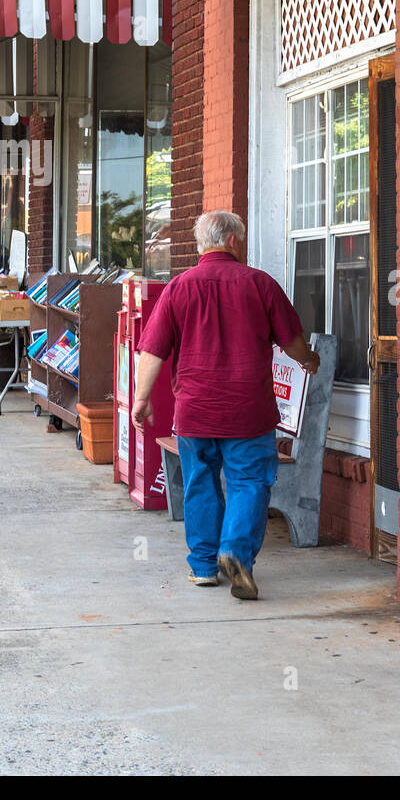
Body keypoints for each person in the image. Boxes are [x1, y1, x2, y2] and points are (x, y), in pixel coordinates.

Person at [132, 210, 319, 599]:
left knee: (199, 482)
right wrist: (308, 360)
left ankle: (203, 567)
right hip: (247, 412)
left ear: (203, 244)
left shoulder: (178, 287)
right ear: (233, 241)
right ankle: (234, 553)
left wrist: (141, 399)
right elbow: (292, 340)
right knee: (249, 483)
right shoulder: (260, 284)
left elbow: (152, 350)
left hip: (195, 411)